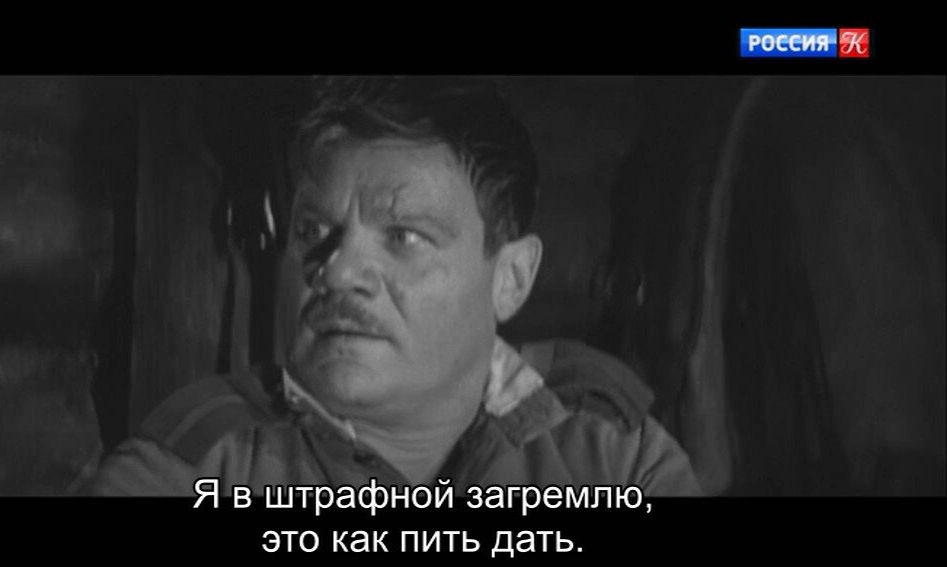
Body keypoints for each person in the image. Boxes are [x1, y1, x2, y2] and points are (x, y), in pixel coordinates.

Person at [89, 76, 703, 496]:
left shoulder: (617, 463)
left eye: (404, 236)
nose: (336, 271)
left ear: (510, 279)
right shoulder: (194, 465)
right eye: (312, 230)